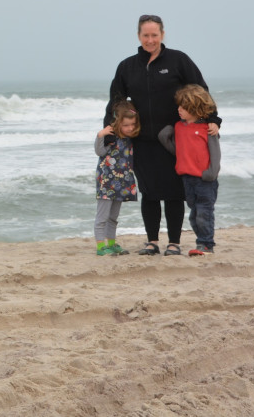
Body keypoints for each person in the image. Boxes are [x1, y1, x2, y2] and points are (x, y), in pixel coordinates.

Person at [104, 15, 220, 257]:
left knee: (174, 192)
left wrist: (213, 120)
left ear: (162, 35)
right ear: (139, 36)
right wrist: (109, 131)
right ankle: (152, 241)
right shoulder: (128, 66)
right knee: (150, 192)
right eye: (145, 35)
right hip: (142, 140)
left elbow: (201, 91)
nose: (150, 40)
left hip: (175, 141)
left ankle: (174, 242)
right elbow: (115, 99)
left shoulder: (178, 60)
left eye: (154, 35)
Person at [158, 85, 221, 256]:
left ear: (195, 108)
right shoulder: (179, 127)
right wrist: (165, 136)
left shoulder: (207, 128)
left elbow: (215, 152)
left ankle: (206, 244)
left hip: (205, 179)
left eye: (183, 107)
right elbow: (178, 151)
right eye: (179, 106)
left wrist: (211, 173)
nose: (179, 110)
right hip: (187, 178)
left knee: (204, 213)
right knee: (194, 215)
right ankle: (202, 242)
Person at [94, 100, 140, 255]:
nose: (130, 128)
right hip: (107, 182)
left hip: (122, 182)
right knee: (103, 216)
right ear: (117, 123)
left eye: (132, 124)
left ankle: (111, 243)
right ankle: (101, 247)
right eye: (125, 125)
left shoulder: (130, 140)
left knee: (113, 217)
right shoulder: (111, 138)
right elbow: (100, 152)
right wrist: (100, 136)